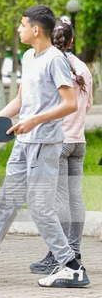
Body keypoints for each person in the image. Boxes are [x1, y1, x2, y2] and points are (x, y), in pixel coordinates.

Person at [0, 5, 88, 288]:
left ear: (36, 30)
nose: (19, 28)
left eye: (22, 24)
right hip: (23, 143)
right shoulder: (28, 57)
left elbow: (70, 103)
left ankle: (72, 267)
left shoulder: (55, 60)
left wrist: (35, 121)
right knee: (6, 202)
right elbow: (21, 101)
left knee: (40, 207)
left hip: (45, 144)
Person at [29, 19, 92, 274]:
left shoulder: (51, 64)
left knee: (58, 201)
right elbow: (86, 106)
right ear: (72, 41)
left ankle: (59, 255)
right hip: (79, 141)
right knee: (76, 198)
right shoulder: (82, 68)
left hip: (59, 140)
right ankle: (74, 251)